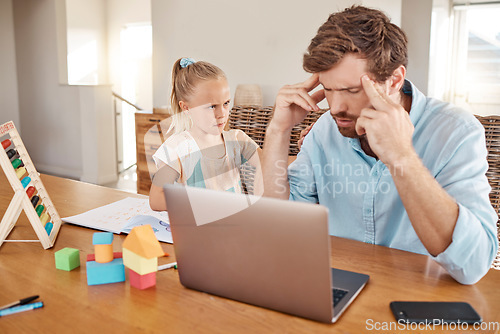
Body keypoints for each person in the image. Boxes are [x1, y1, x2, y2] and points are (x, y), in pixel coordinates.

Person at [262, 5, 498, 284]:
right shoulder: (325, 130)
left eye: (351, 90)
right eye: (328, 88)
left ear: (394, 80)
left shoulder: (455, 131)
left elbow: (472, 265)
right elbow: (279, 229)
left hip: (418, 298)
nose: (336, 107)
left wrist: (402, 156)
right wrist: (278, 131)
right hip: (334, 287)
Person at [149, 57, 261, 211]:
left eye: (226, 103)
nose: (222, 113)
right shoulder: (177, 148)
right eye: (211, 106)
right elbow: (156, 200)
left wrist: (305, 149)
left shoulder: (237, 139)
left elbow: (271, 164)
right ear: (186, 108)